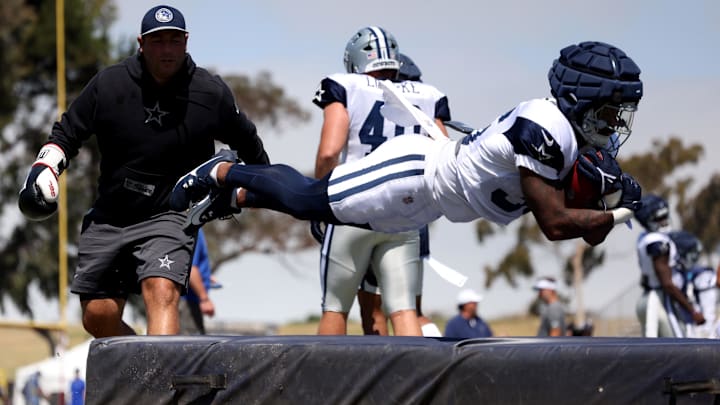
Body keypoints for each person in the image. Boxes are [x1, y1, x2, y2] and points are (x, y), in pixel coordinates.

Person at [170, 41, 644, 252]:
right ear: (584, 97)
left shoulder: (570, 138)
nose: (615, 121)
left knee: (319, 209)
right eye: (610, 109)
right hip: (414, 174)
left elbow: (588, 230)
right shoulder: (547, 126)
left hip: (425, 205)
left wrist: (611, 203)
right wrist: (620, 212)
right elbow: (557, 224)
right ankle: (224, 171)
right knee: (306, 200)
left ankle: (236, 196)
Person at [18, 4, 269, 338]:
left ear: (186, 41)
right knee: (97, 316)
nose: (167, 49)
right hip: (111, 215)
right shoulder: (109, 84)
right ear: (141, 43)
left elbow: (249, 143)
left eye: (174, 40)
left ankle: (158, 388)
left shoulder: (210, 93)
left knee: (161, 290)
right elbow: (67, 133)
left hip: (171, 214)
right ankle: (140, 365)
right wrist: (44, 167)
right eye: (157, 41)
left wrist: (265, 186)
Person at [310, 29, 450, 336]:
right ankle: (416, 383)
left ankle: (323, 383)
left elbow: (330, 151)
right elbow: (445, 155)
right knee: (404, 310)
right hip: (404, 213)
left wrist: (317, 199)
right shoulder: (427, 94)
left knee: (335, 307)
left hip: (354, 205)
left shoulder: (346, 86)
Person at [355, 53, 443, 338]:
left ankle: (387, 380)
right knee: (412, 311)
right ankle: (428, 374)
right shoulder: (423, 108)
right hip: (415, 214)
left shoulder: (374, 104)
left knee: (375, 311)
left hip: (376, 209)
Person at [634, 195, 705, 337]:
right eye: (660, 218)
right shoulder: (657, 242)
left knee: (651, 352)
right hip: (661, 300)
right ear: (650, 221)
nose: (665, 220)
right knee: (677, 349)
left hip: (647, 297)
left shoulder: (643, 237)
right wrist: (692, 310)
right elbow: (667, 284)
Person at [179, 228, 216, 334]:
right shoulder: (193, 229)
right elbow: (191, 268)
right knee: (190, 346)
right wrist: (205, 299)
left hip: (188, 301)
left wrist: (206, 277)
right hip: (188, 303)